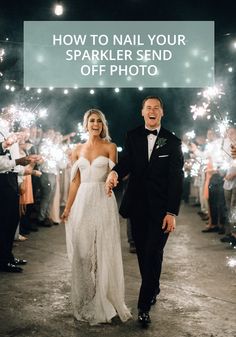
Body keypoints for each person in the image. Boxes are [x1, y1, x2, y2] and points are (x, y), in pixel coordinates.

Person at [105, 96, 184, 327]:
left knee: (153, 252)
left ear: (162, 113)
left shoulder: (172, 141)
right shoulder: (133, 136)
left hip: (161, 211)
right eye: (148, 108)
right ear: (142, 112)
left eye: (156, 108)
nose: (152, 111)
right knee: (143, 254)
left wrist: (172, 212)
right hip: (138, 206)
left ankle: (143, 306)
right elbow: (127, 162)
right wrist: (115, 173)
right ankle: (153, 285)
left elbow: (176, 180)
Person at [61, 109, 131, 325]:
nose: (95, 124)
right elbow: (75, 181)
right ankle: (86, 296)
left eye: (99, 121)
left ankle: (103, 299)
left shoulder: (110, 147)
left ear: (103, 125)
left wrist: (113, 179)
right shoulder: (77, 149)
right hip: (82, 201)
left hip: (103, 199)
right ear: (85, 124)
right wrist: (68, 207)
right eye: (92, 121)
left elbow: (117, 173)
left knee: (102, 250)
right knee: (82, 252)